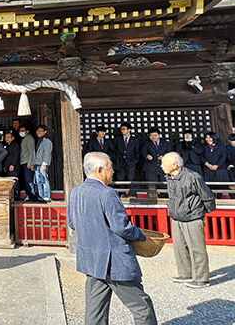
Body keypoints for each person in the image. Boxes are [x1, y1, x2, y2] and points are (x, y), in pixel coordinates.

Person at [67, 152, 157, 325]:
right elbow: (120, 227)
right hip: (114, 260)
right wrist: (140, 235)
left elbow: (72, 223)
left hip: (91, 259)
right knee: (142, 307)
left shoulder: (76, 192)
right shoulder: (107, 193)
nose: (113, 171)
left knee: (95, 311)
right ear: (100, 169)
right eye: (110, 167)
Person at [161, 152, 215, 289]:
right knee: (179, 247)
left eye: (164, 163)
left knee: (197, 249)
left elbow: (207, 196)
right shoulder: (170, 177)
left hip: (193, 216)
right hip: (177, 217)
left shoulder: (192, 177)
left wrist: (201, 213)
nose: (162, 166)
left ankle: (202, 278)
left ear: (174, 165)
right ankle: (185, 273)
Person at [32, 125, 53, 202]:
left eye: (41, 131)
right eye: (38, 131)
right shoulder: (38, 140)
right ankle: (41, 196)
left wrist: (44, 164)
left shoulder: (46, 141)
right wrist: (33, 163)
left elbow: (47, 153)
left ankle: (47, 196)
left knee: (44, 179)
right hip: (37, 163)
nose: (39, 132)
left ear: (45, 132)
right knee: (38, 180)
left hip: (42, 163)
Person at [19, 126, 37, 201]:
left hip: (27, 162)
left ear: (27, 131)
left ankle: (32, 195)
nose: (21, 132)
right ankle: (29, 195)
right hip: (24, 161)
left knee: (29, 180)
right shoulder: (24, 139)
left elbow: (31, 151)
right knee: (26, 180)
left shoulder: (29, 138)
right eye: (20, 130)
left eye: (23, 130)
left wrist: (30, 162)